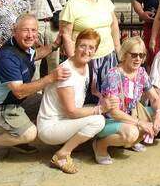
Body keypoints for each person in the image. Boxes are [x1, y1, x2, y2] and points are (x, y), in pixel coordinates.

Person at [0, 15, 66, 169]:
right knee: (30, 133)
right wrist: (50, 78)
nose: (30, 35)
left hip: (13, 103)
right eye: (25, 30)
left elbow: (36, 55)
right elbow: (19, 92)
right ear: (14, 31)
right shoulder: (7, 56)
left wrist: (55, 45)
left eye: (33, 30)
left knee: (48, 103)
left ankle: (18, 136)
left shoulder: (25, 48)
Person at [37, 29, 117, 173]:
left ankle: (71, 142)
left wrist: (106, 98)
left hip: (64, 119)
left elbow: (92, 91)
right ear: (75, 46)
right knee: (98, 120)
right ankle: (62, 154)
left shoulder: (85, 65)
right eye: (82, 46)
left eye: (91, 47)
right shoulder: (66, 71)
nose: (86, 51)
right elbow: (72, 112)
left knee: (98, 110)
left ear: (95, 51)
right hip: (51, 126)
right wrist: (100, 109)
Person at [96, 36, 160, 164]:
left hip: (132, 114)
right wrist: (140, 123)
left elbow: (155, 98)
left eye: (141, 55)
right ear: (124, 55)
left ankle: (133, 141)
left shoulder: (141, 72)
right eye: (134, 55)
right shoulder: (114, 75)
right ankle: (100, 145)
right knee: (132, 132)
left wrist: (159, 115)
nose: (138, 59)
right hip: (111, 120)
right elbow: (114, 112)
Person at [59, 0, 121, 104]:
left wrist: (118, 49)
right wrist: (73, 61)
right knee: (89, 96)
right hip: (86, 58)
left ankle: (109, 120)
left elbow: (114, 24)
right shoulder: (72, 4)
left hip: (108, 55)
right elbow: (66, 35)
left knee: (109, 93)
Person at [21, 0, 67, 77]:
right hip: (36, 25)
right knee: (34, 61)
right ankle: (34, 94)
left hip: (53, 25)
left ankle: (52, 93)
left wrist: (63, 30)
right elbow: (23, 8)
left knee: (54, 62)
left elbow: (62, 5)